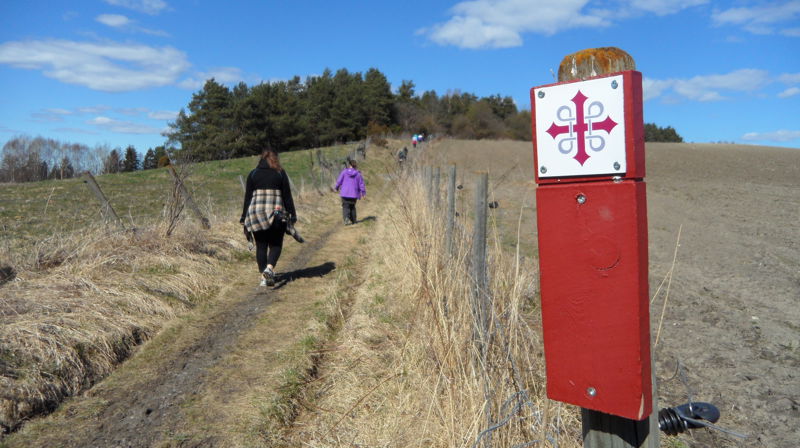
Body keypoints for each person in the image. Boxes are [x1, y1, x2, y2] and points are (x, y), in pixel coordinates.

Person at [240, 148, 297, 287]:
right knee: (276, 244)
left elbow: (247, 198)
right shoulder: (280, 173)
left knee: (261, 246)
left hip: (255, 214)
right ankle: (269, 268)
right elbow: (287, 197)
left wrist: (244, 218)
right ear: (275, 159)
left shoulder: (253, 174)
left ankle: (264, 277)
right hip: (276, 214)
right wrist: (292, 215)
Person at [335, 159, 366, 225]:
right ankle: (354, 220)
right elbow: (361, 184)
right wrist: (363, 192)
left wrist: (336, 187)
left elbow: (339, 180)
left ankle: (346, 218)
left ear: (349, 165)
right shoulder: (358, 174)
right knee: (352, 206)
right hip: (354, 194)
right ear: (355, 166)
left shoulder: (344, 172)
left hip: (345, 193)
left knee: (345, 206)